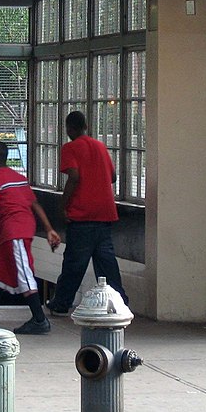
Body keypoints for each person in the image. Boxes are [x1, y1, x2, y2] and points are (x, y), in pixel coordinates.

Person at [0, 141, 62, 335]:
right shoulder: (19, 177)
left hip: (14, 232)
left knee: (24, 275)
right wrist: (49, 229)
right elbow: (34, 203)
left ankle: (39, 319)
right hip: (22, 229)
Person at [46, 111, 129, 315]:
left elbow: (73, 176)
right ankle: (120, 303)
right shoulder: (100, 146)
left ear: (69, 128)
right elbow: (112, 177)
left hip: (82, 214)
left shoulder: (70, 148)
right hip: (105, 213)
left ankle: (62, 303)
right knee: (107, 264)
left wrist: (63, 205)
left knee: (75, 262)